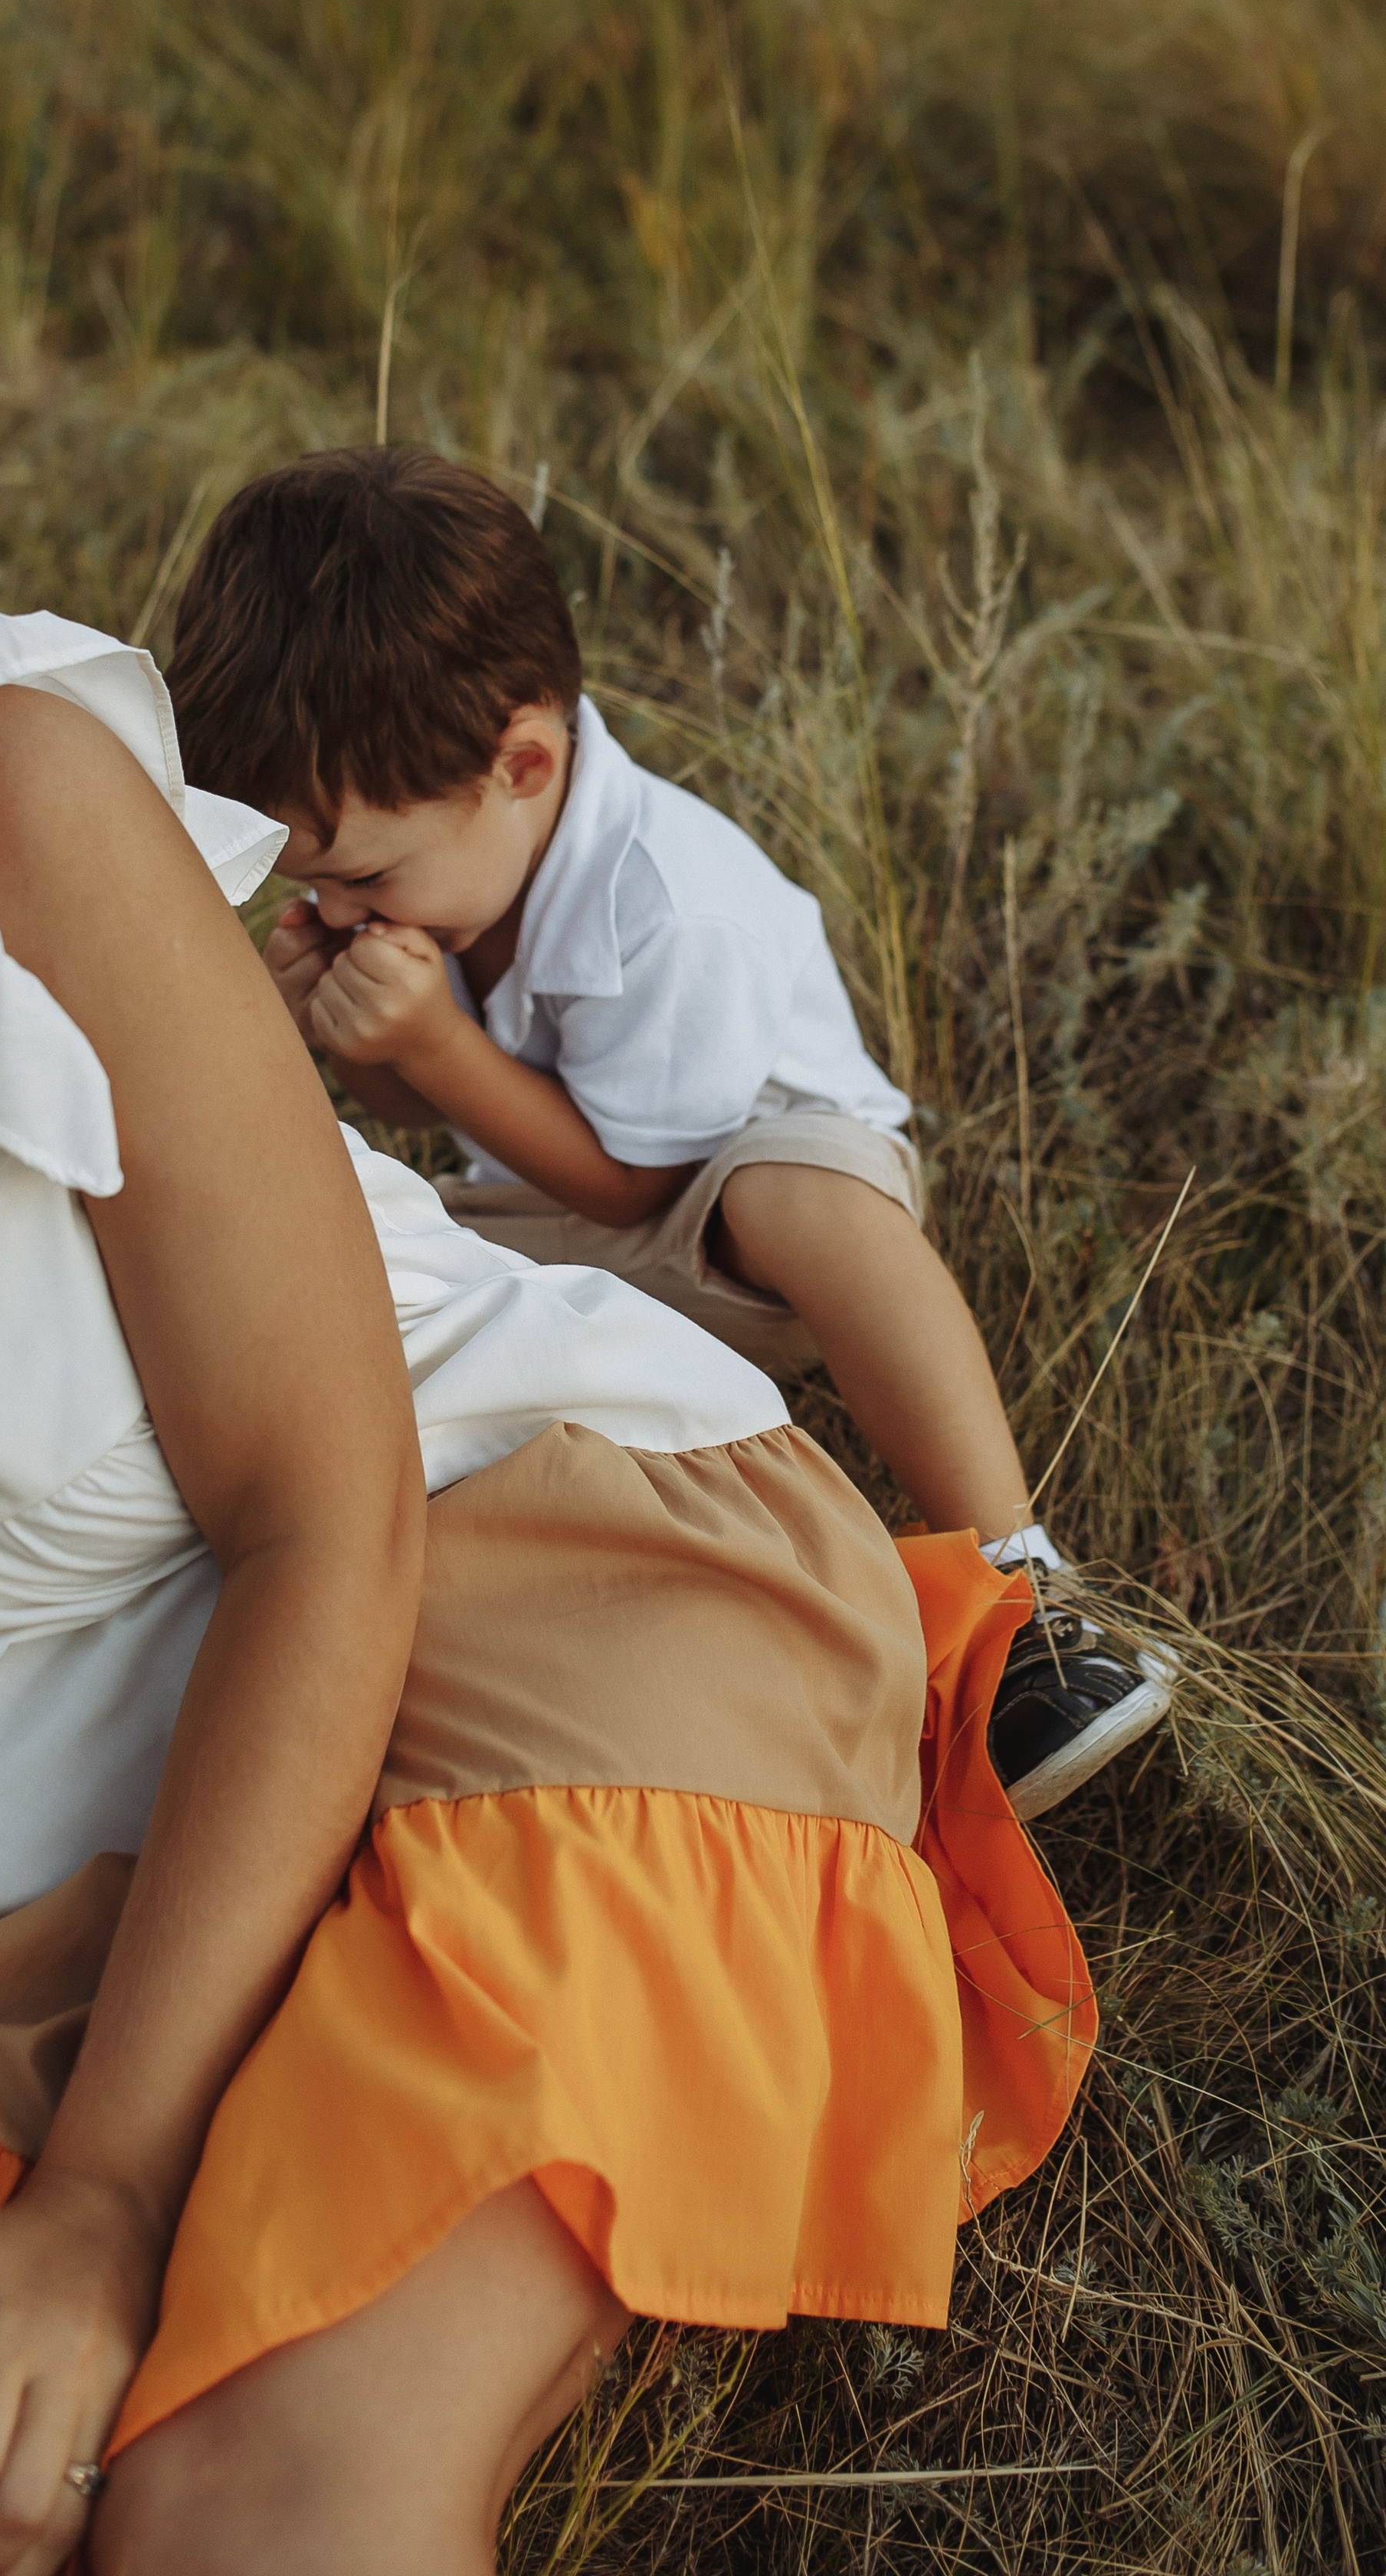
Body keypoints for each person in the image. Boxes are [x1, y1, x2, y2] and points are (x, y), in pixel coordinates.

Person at [0, 395, 1091, 2576]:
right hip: (7, 1859)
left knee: (256, 2523)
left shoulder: (2, 793)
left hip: (526, 1588)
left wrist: (104, 2201)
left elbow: (324, 1508)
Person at [167, 443, 1171, 1821]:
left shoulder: (671, 903)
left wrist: (434, 1045)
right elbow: (449, 1129)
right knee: (341, 1252)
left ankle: (1024, 1589)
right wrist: (362, 1042)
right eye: (316, 888)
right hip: (565, 1213)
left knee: (802, 1195)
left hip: (732, 1219)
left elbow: (637, 1176)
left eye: (364, 876)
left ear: (522, 760)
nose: (343, 911)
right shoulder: (457, 856)